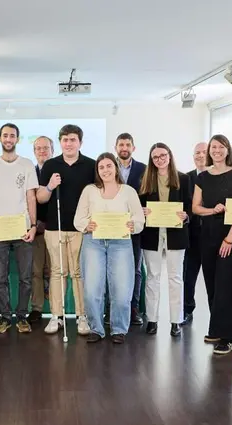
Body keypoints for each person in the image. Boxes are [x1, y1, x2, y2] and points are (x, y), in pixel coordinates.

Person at [74, 153, 145, 344]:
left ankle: (119, 329)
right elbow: (78, 219)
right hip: (93, 242)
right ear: (97, 171)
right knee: (92, 289)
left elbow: (139, 219)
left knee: (122, 288)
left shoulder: (128, 191)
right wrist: (86, 225)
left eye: (109, 166)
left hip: (120, 243)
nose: (105, 170)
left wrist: (133, 225)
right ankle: (96, 328)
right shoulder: (89, 191)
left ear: (116, 168)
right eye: (101, 167)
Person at [192, 134, 232, 355]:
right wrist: (211, 210)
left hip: (229, 236)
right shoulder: (203, 177)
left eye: (221, 146)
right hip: (207, 234)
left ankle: (227, 336)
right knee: (211, 283)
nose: (216, 150)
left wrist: (230, 237)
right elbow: (196, 207)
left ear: (227, 149)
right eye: (213, 147)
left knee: (226, 284)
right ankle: (216, 328)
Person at [37, 124, 95, 336]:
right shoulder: (51, 164)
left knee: (78, 273)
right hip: (55, 228)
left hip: (81, 229)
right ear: (60, 142)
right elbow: (40, 197)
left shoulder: (91, 165)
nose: (68, 143)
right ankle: (56, 316)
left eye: (72, 139)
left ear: (80, 142)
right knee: (58, 272)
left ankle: (82, 316)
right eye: (65, 140)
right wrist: (50, 186)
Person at [0, 123, 38, 334]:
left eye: (12, 136)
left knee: (25, 278)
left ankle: (22, 316)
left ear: (17, 139)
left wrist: (33, 226)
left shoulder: (27, 164)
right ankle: (5, 317)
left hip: (22, 229)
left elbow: (31, 197)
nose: (8, 139)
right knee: (0, 278)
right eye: (5, 135)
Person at [138, 143, 191, 337]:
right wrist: (142, 211)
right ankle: (152, 319)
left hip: (176, 233)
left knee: (175, 278)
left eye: (163, 155)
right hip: (151, 233)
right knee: (152, 277)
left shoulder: (184, 179)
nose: (159, 159)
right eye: (155, 157)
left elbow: (191, 207)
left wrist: (186, 216)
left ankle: (176, 320)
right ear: (151, 160)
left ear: (170, 155)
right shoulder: (145, 180)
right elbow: (138, 206)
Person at [114, 133, 146, 325]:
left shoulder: (144, 169)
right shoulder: (107, 167)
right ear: (115, 147)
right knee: (113, 269)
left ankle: (133, 308)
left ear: (133, 147)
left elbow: (150, 194)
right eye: (121, 144)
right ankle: (113, 309)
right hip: (112, 227)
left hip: (134, 227)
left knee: (135, 269)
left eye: (127, 144)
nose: (124, 148)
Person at [27, 135, 54, 323]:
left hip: (54, 228)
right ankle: (36, 308)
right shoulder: (29, 172)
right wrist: (34, 224)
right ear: (34, 152)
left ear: (52, 150)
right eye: (38, 148)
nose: (42, 151)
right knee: (35, 271)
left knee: (54, 271)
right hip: (35, 229)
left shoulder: (58, 170)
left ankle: (55, 309)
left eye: (46, 148)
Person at [183, 142, 207, 324]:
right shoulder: (186, 178)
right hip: (191, 236)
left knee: (214, 278)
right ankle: (186, 309)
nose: (200, 155)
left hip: (214, 235)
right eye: (197, 152)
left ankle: (216, 313)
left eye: (204, 152)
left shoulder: (221, 176)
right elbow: (183, 205)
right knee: (188, 276)